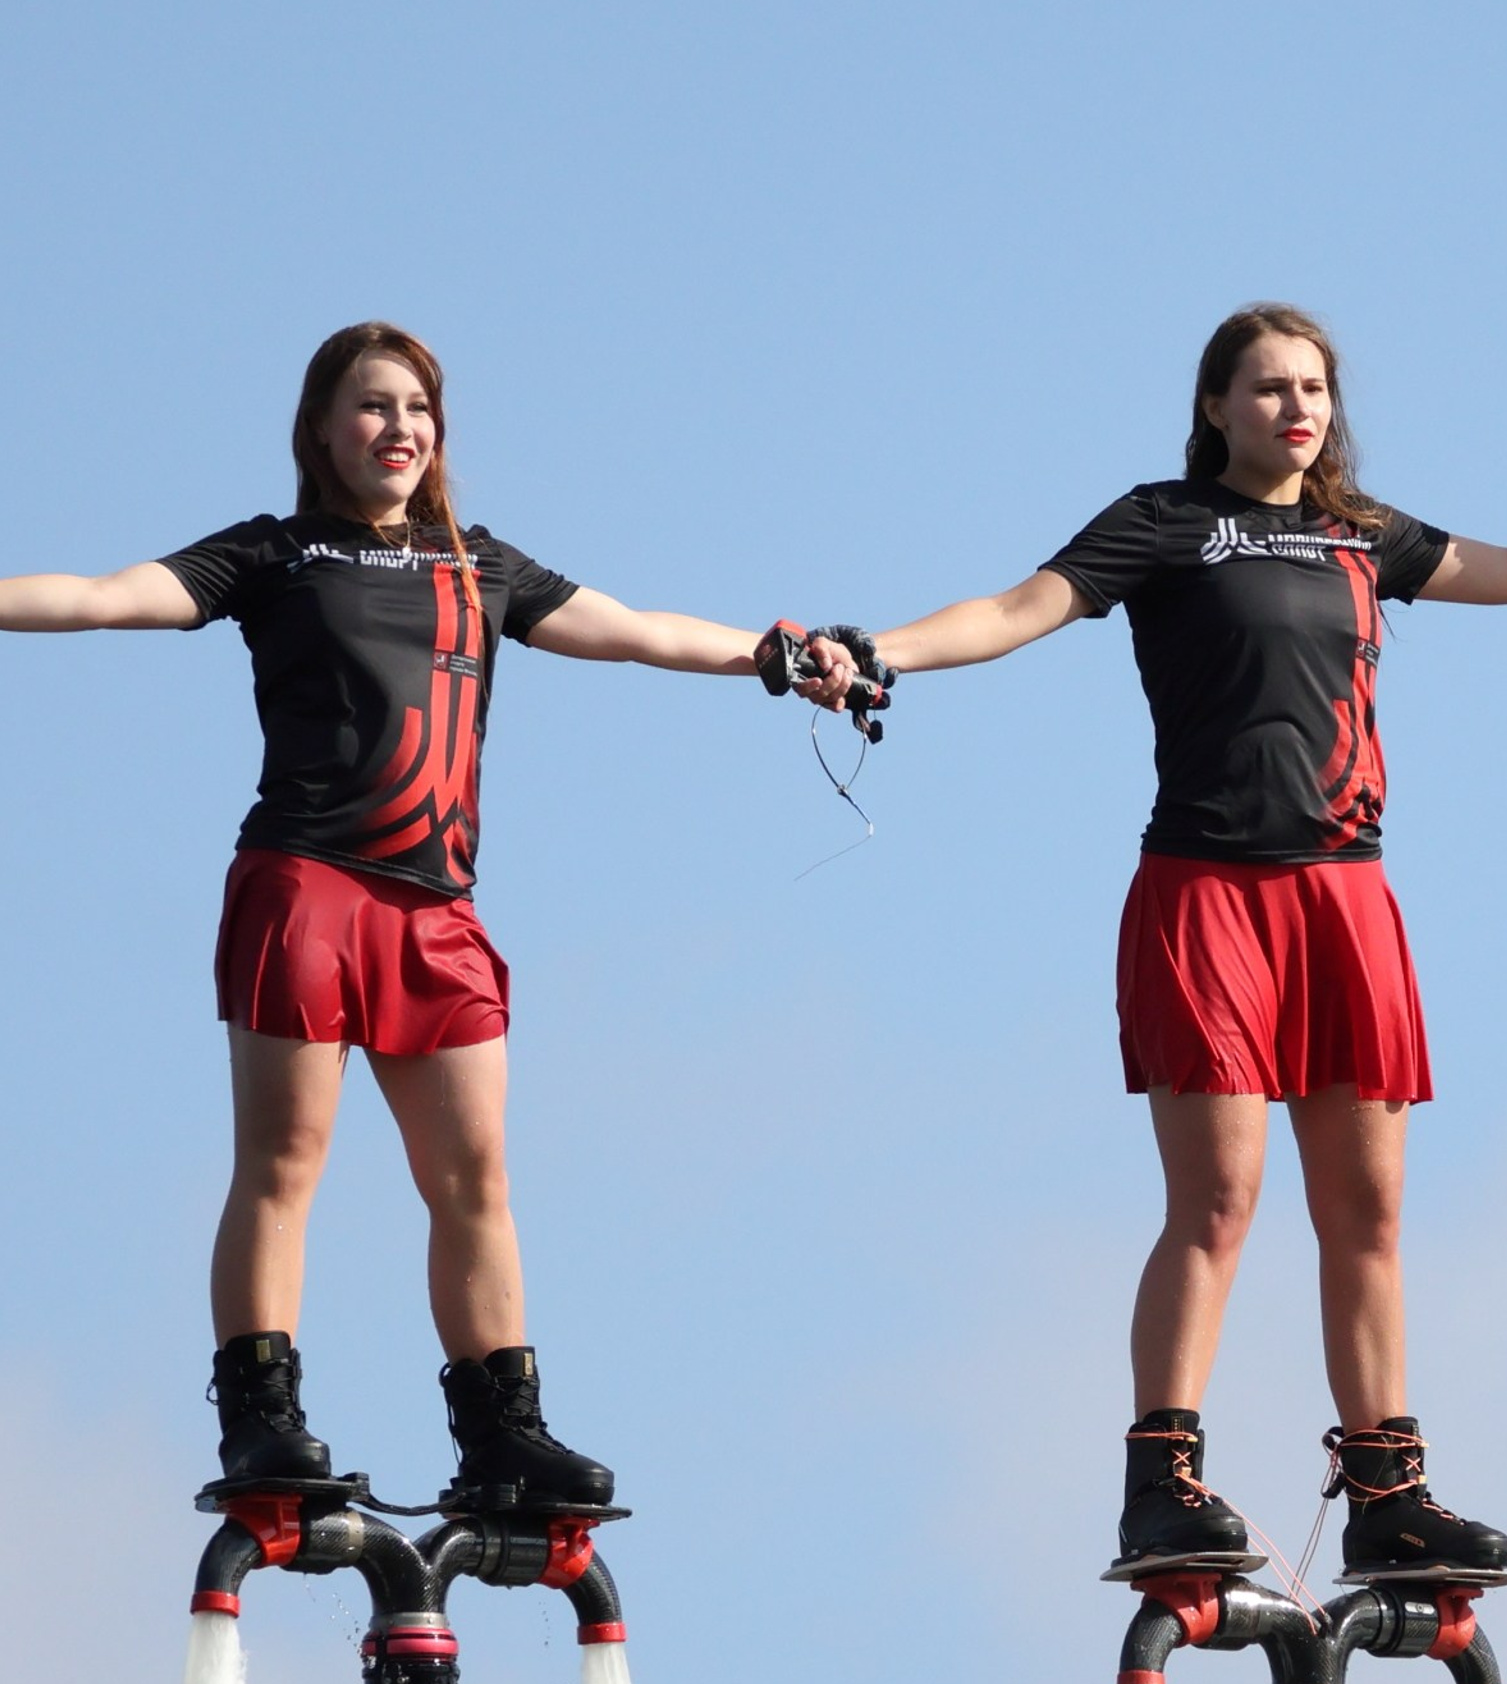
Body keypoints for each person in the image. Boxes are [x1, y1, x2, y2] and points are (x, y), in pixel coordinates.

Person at [866, 303, 1507, 1577]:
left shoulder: (1356, 534)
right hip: (1206, 895)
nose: (1294, 407)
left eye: (1311, 387)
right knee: (1217, 1201)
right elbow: (1017, 608)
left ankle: (1387, 1499)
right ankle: (1162, 1483)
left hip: (1343, 899)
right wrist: (881, 651)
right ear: (1214, 406)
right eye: (1265, 388)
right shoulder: (1164, 523)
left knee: (1367, 1215)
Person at [0, 321, 864, 1503]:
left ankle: (502, 1433)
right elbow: (103, 597)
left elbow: (637, 632)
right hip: (305, 885)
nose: (396, 427)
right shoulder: (273, 551)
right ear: (319, 430)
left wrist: (779, 655)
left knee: (474, 1178)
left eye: (416, 407)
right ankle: (262, 1422)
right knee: (284, 1163)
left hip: (438, 912)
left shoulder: (479, 562)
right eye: (369, 406)